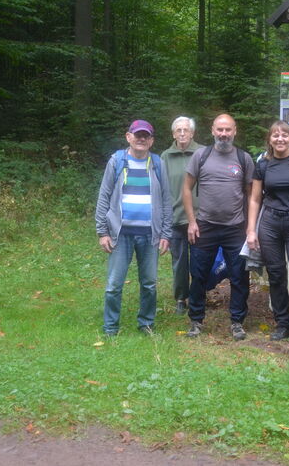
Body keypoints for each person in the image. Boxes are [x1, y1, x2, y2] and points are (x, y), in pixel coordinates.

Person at [95, 119, 171, 336]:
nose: (141, 139)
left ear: (152, 140)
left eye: (146, 135)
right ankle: (111, 327)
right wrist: (103, 232)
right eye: (137, 135)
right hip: (121, 233)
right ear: (128, 137)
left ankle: (146, 324)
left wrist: (166, 233)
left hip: (149, 234)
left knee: (149, 284)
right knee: (114, 284)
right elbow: (104, 196)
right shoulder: (116, 161)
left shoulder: (157, 164)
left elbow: (166, 200)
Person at [182, 113, 255, 340]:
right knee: (199, 274)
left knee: (239, 277)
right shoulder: (200, 156)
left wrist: (250, 227)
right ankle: (196, 320)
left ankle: (237, 322)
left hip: (235, 227)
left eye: (228, 130)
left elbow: (252, 194)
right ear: (213, 130)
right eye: (220, 130)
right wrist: (192, 221)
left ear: (235, 131)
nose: (224, 134)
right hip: (205, 226)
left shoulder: (244, 159)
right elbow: (186, 189)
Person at [246, 120, 289, 341]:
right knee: (275, 275)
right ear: (270, 140)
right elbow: (255, 199)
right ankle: (283, 322)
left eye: (284, 135)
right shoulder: (263, 165)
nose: (280, 138)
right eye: (275, 135)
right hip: (270, 224)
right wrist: (251, 231)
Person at [161, 117, 203, 315]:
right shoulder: (165, 157)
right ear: (173, 134)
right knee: (179, 262)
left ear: (192, 133)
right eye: (178, 130)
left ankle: (198, 294)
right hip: (176, 217)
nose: (182, 133)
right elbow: (161, 188)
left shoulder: (203, 153)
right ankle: (181, 297)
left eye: (186, 130)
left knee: (199, 260)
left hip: (200, 217)